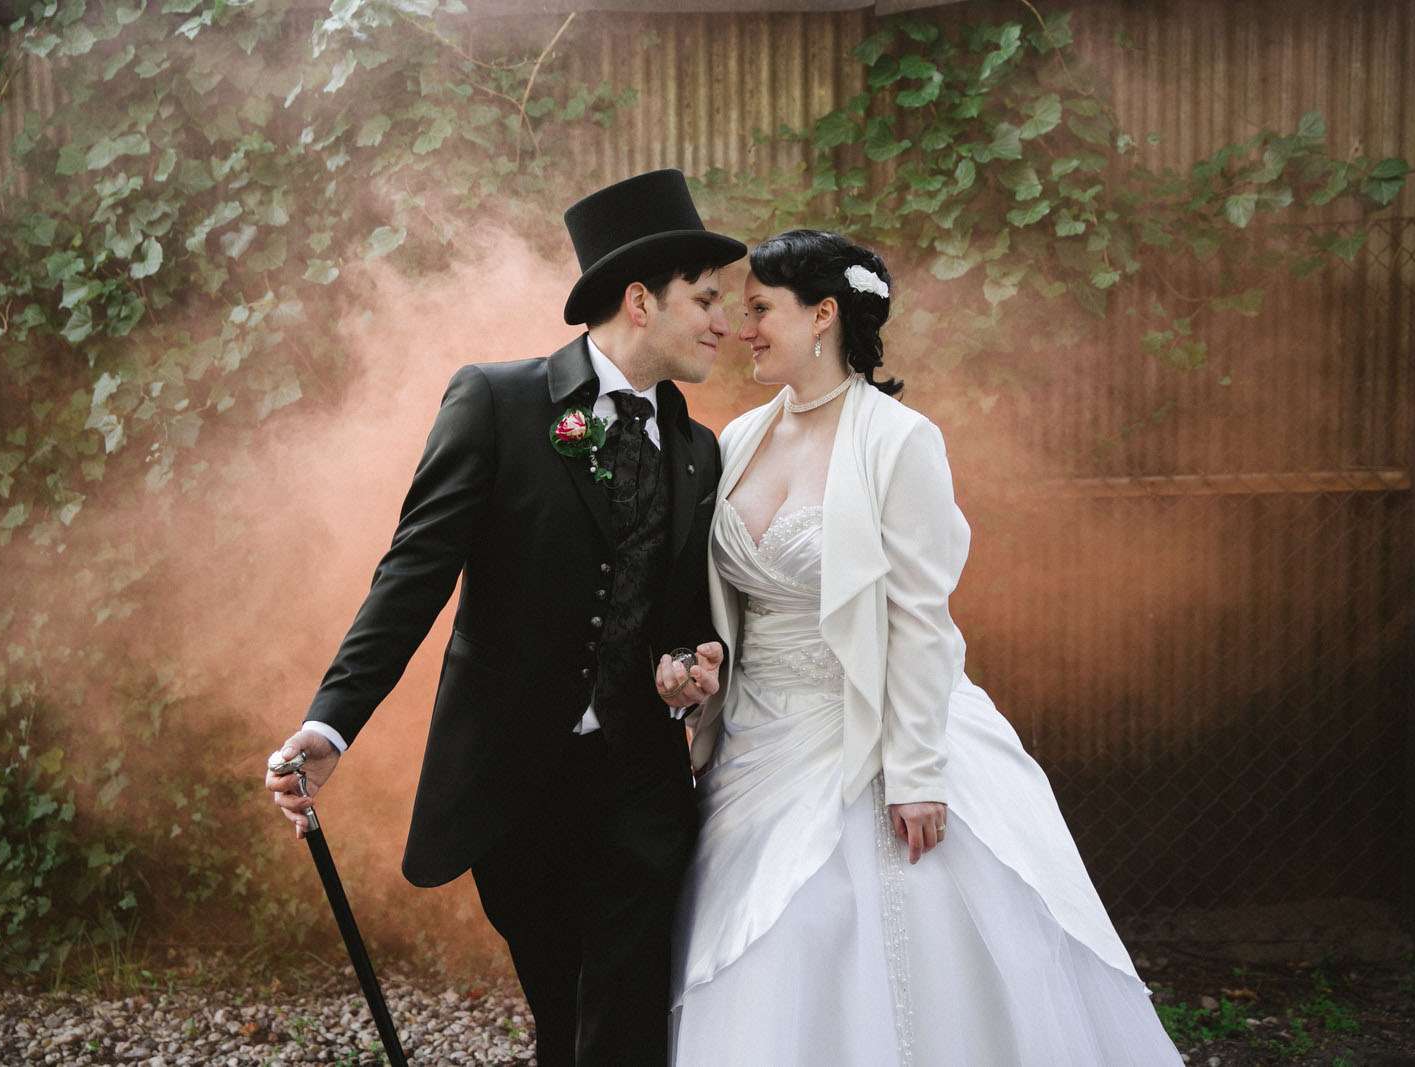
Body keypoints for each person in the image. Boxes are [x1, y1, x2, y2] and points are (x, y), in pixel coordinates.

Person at [660, 230, 1183, 1065]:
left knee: (851, 934)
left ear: (823, 314)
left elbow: (919, 617)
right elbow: (726, 605)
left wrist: (914, 773)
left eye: (760, 309)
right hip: (759, 739)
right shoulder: (739, 439)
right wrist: (702, 685)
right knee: (757, 945)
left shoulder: (899, 441)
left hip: (867, 729)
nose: (742, 327)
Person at [264, 169, 746, 1066]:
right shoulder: (499, 402)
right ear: (640, 300)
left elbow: (681, 613)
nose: (726, 321)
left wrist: (689, 661)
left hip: (642, 787)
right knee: (562, 1009)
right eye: (706, 298)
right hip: (516, 786)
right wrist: (331, 723)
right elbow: (412, 576)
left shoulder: (697, 450)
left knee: (626, 1012)